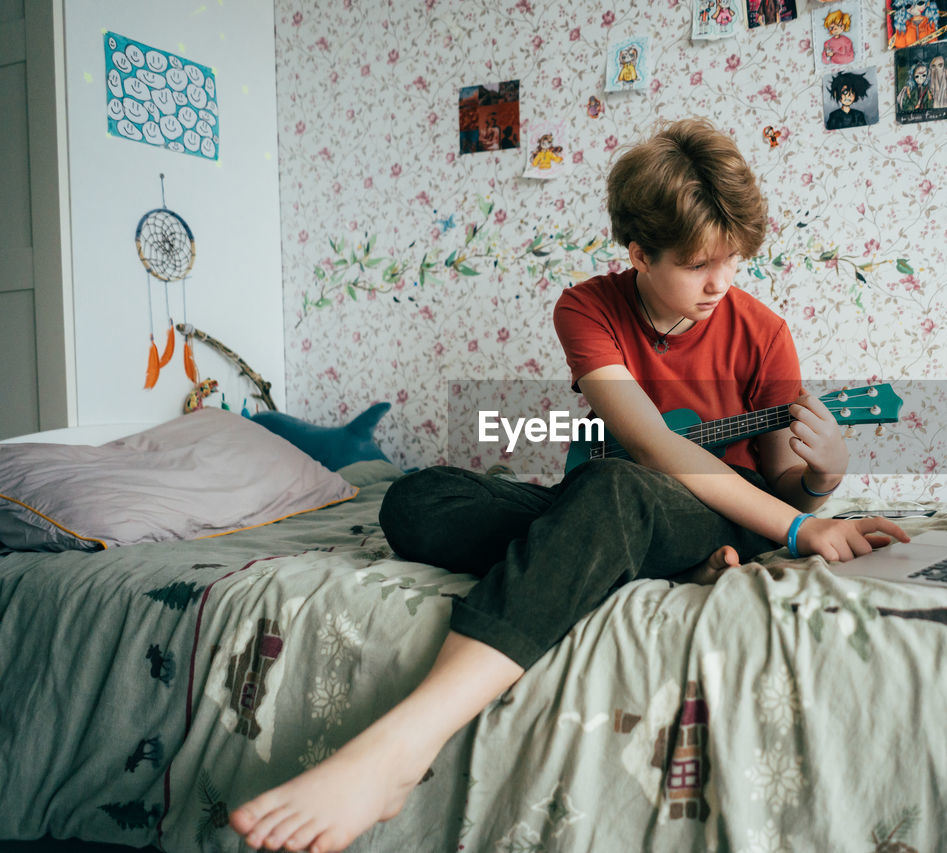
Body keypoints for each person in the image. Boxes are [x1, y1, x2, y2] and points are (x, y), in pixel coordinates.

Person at [228, 118, 906, 853]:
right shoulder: (586, 307)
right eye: (700, 264)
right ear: (640, 252)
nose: (722, 282)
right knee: (417, 497)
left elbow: (784, 487)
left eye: (734, 260)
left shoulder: (763, 331)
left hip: (720, 512)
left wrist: (821, 483)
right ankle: (630, 557)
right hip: (610, 497)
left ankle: (401, 743)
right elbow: (649, 440)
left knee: (616, 490)